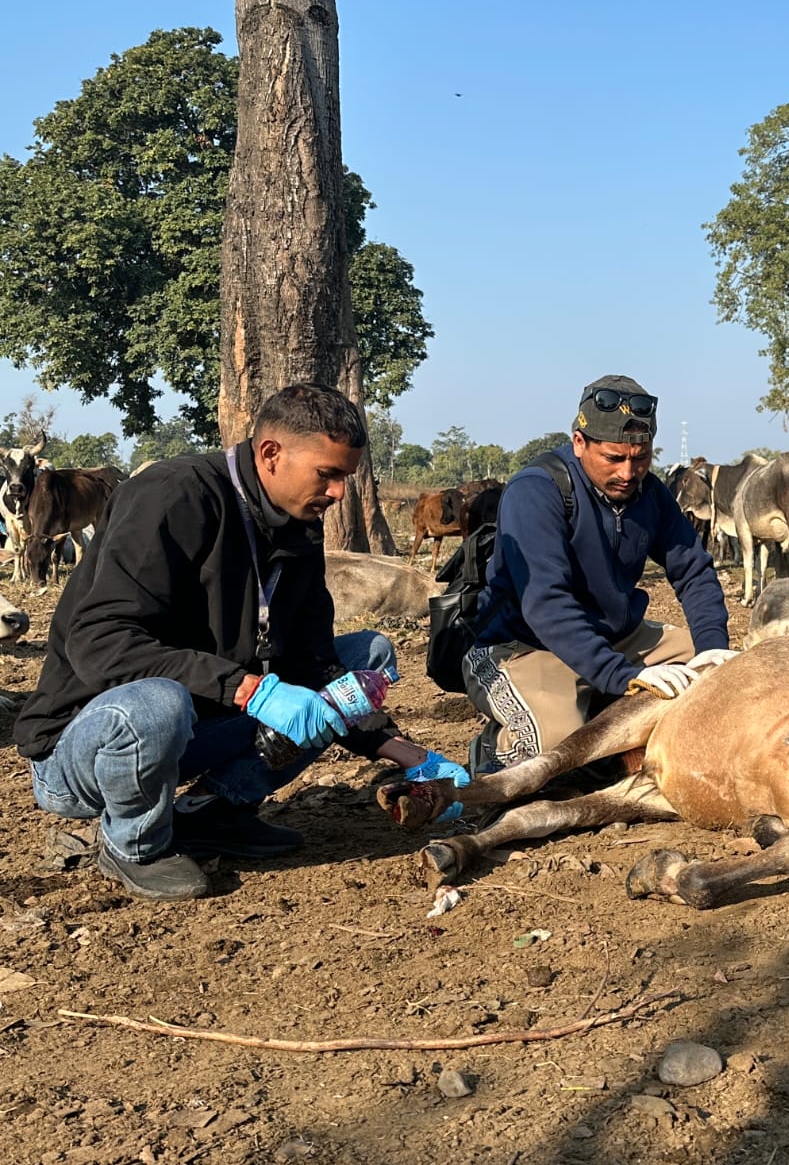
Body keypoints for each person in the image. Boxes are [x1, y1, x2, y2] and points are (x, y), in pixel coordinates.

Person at [16, 383, 463, 902]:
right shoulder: (173, 496)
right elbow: (99, 641)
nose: (340, 493)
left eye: (346, 477)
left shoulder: (298, 524)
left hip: (196, 722)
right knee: (159, 702)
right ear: (271, 454)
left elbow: (316, 661)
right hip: (91, 742)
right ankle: (134, 843)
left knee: (365, 659)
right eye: (329, 474)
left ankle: (216, 813)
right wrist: (253, 691)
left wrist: (410, 755)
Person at [463, 374, 733, 770]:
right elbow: (545, 604)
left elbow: (693, 569)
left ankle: (601, 705)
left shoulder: (650, 493)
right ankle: (491, 754)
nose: (628, 473)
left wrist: (711, 648)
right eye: (613, 458)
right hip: (525, 646)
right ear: (579, 443)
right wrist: (622, 676)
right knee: (555, 752)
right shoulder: (536, 491)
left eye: (640, 459)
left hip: (617, 639)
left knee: (729, 677)